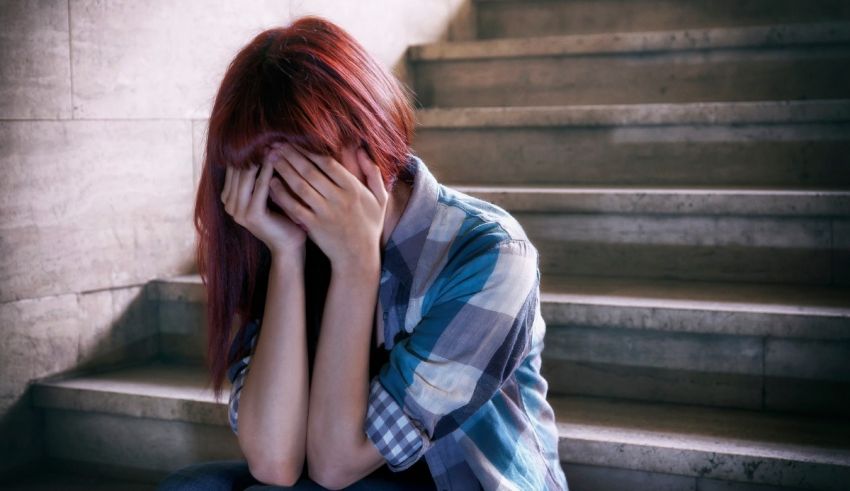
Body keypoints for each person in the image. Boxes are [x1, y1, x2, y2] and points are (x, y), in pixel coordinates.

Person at [158, 14, 569, 491]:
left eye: (305, 169)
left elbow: (336, 464)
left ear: (367, 142)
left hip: (456, 480)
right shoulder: (276, 237)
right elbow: (274, 462)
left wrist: (356, 264)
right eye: (261, 175)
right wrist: (287, 258)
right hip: (348, 472)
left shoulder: (491, 253)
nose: (285, 194)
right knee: (193, 487)